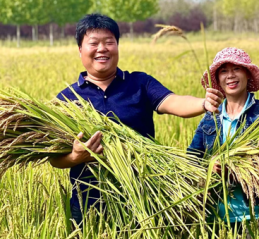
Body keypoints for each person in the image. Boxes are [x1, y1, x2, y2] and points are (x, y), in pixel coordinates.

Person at [50, 13, 224, 225]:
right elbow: (55, 159)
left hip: (143, 199)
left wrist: (203, 104)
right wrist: (77, 156)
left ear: (118, 46)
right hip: (89, 205)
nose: (102, 49)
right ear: (80, 50)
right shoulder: (66, 99)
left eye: (109, 42)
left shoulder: (140, 83)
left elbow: (173, 102)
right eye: (93, 43)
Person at [187, 47, 259, 239]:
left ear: (247, 74)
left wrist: (237, 170)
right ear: (217, 79)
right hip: (216, 215)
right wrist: (210, 167)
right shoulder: (210, 117)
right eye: (224, 70)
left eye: (237, 68)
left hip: (254, 214)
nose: (231, 75)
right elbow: (192, 158)